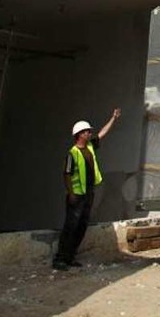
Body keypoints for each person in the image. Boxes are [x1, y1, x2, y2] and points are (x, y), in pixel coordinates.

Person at [52, 108, 121, 270]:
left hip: (88, 193)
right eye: (87, 131)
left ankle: (70, 257)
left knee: (82, 225)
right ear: (80, 134)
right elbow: (67, 174)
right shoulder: (72, 154)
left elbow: (102, 133)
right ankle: (60, 259)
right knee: (71, 226)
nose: (90, 133)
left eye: (90, 131)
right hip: (77, 195)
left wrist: (113, 118)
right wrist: (71, 193)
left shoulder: (90, 147)